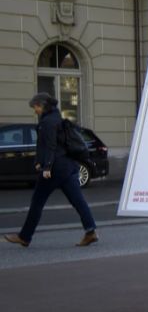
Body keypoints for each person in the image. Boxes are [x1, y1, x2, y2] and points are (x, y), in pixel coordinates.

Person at [4, 93, 99, 248]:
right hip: (69, 166)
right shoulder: (57, 119)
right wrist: (38, 162)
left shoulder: (47, 122)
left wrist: (46, 166)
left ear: (42, 106)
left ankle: (24, 237)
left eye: (35, 107)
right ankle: (91, 231)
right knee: (78, 201)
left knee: (37, 201)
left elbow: (50, 146)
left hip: (56, 168)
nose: (34, 110)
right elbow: (51, 145)